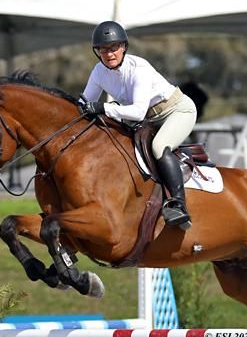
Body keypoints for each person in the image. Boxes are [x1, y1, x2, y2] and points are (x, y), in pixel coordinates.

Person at [79, 20, 198, 231]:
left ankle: (178, 205)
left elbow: (137, 111)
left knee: (159, 147)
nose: (109, 54)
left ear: (123, 47)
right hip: (149, 120)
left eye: (113, 47)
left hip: (177, 111)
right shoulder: (98, 71)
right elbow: (84, 103)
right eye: (103, 49)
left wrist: (103, 108)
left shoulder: (139, 68)